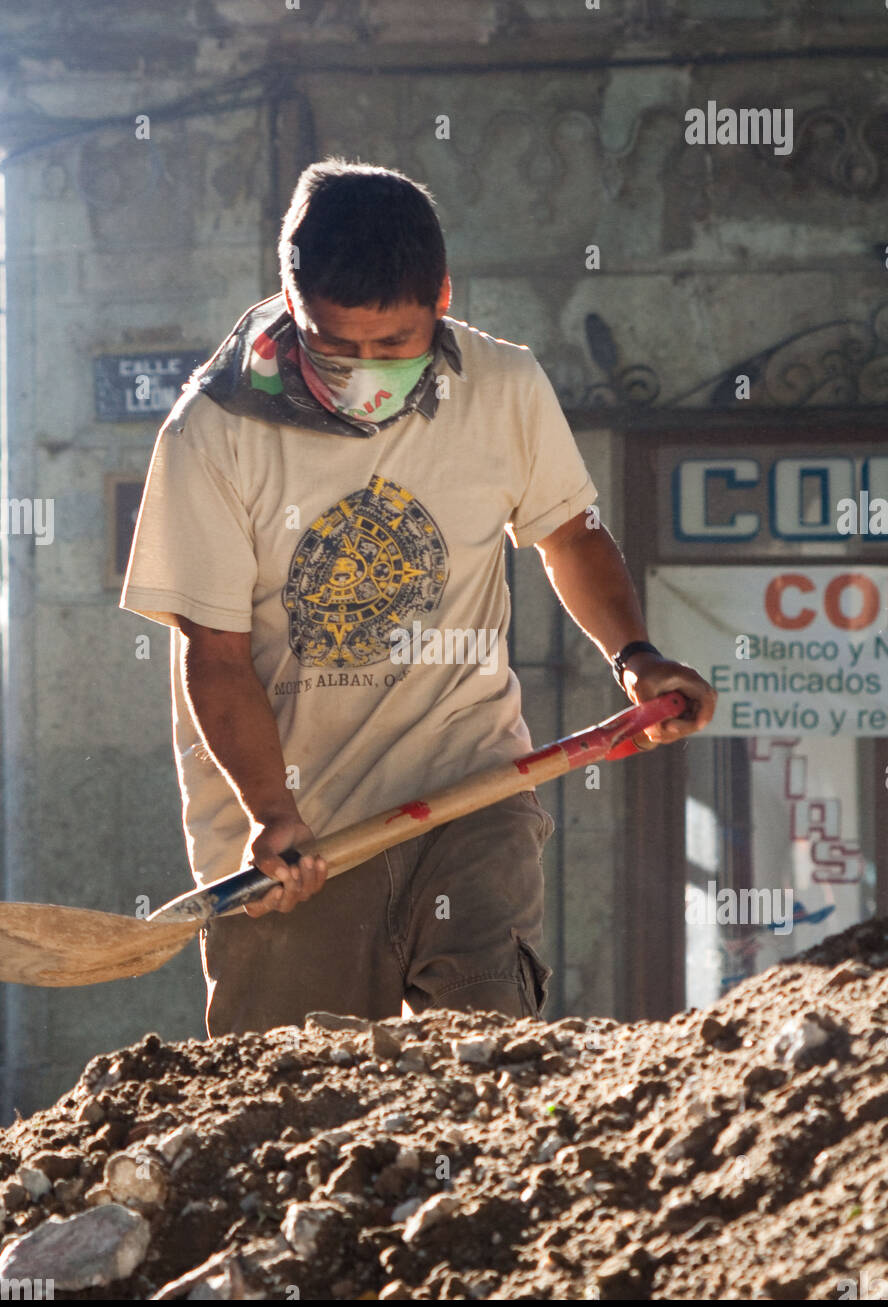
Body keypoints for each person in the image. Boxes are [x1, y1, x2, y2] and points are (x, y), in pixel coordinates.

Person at [120, 156, 716, 1037]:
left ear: (441, 297)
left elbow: (571, 535)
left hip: (472, 788)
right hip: (294, 841)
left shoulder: (503, 386)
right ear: (292, 308)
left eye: (393, 344)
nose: (365, 369)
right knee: (296, 1103)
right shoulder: (214, 428)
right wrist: (270, 812)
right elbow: (212, 653)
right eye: (334, 345)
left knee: (487, 1054)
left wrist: (635, 658)